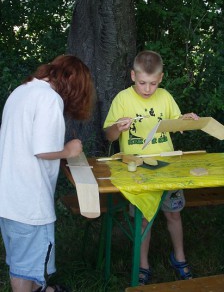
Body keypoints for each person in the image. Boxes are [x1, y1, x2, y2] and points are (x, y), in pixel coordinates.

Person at [0, 55, 95, 292]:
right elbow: (43, 150)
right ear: (73, 85)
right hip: (29, 203)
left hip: (9, 196)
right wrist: (69, 150)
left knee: (23, 260)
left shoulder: (23, 90)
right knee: (25, 267)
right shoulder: (49, 98)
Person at [103, 50, 199, 285]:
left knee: (174, 214)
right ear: (133, 76)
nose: (147, 89)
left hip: (167, 167)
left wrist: (186, 120)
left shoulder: (165, 96)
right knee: (143, 220)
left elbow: (176, 124)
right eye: (143, 83)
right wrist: (117, 127)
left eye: (153, 84)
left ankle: (179, 257)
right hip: (137, 169)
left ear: (161, 78)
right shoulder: (122, 98)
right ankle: (143, 264)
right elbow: (108, 136)